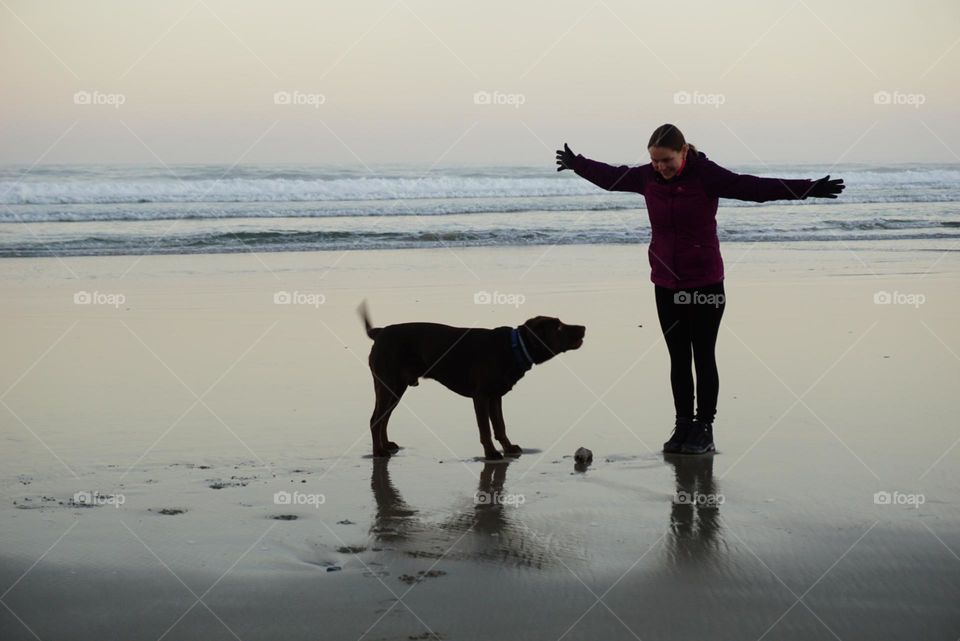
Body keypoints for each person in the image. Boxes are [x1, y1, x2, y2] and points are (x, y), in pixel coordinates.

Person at [555, 124, 844, 455]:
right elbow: (612, 178)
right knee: (678, 357)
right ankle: (682, 426)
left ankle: (704, 427)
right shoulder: (647, 177)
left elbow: (753, 187)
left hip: (705, 283)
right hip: (665, 283)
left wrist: (807, 189)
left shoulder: (705, 174)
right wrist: (578, 163)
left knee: (702, 355)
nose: (660, 167)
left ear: (683, 152)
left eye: (666, 160)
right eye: (654, 161)